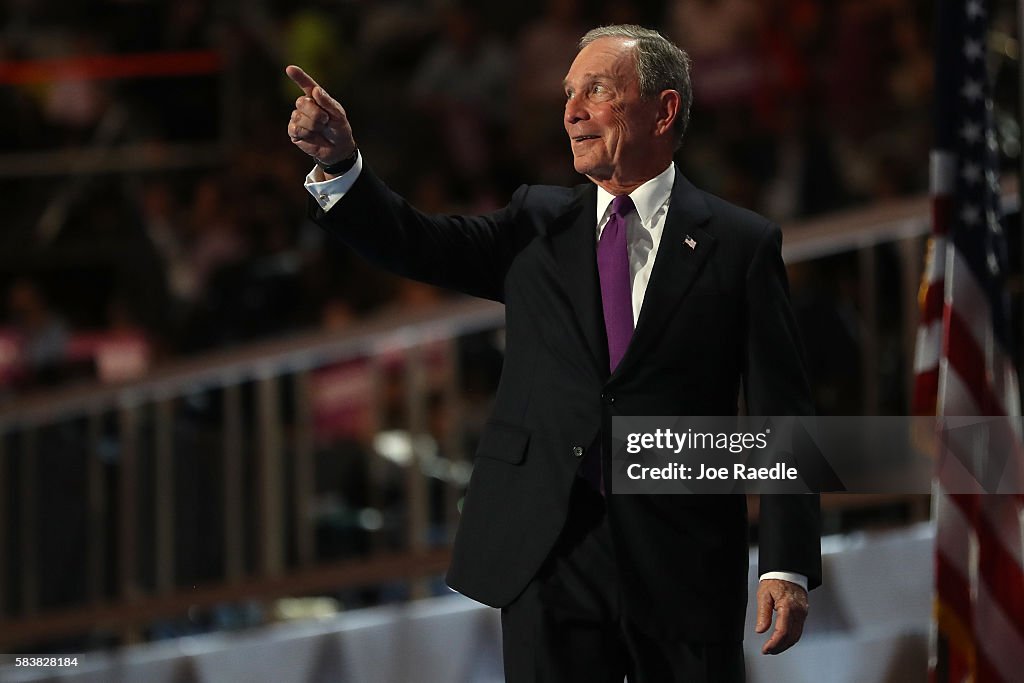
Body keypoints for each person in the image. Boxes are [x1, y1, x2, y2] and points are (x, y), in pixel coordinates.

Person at [286, 24, 820, 683]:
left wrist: (784, 561)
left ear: (665, 108)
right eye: (569, 92)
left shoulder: (739, 244)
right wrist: (342, 167)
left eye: (596, 89)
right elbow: (415, 243)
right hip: (547, 547)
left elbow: (782, 409)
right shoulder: (535, 222)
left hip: (680, 548)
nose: (571, 109)